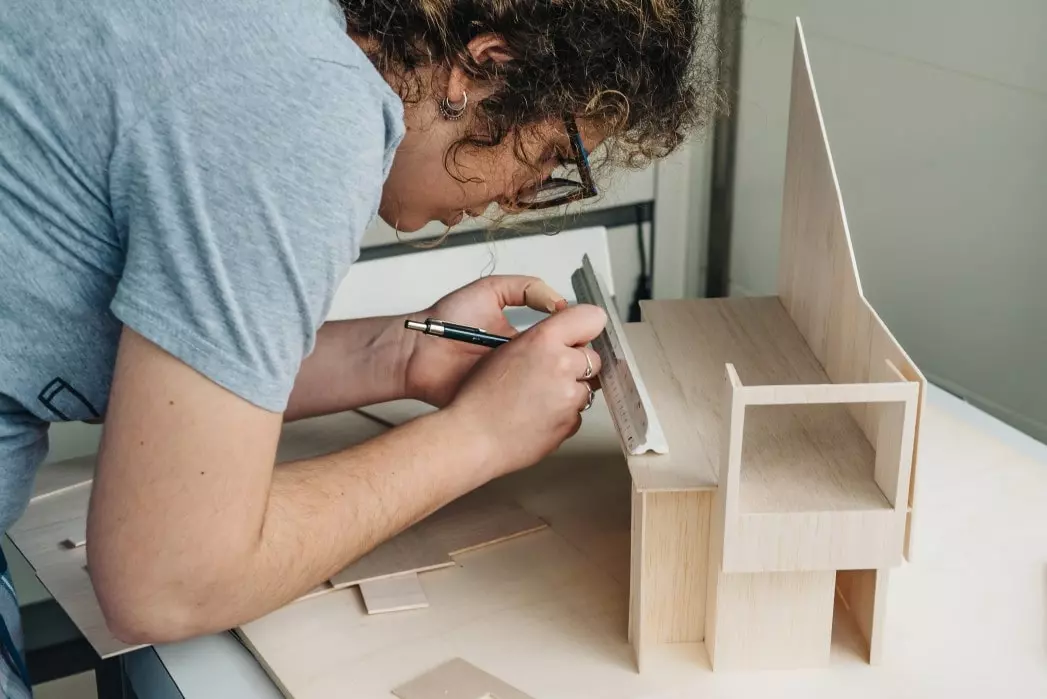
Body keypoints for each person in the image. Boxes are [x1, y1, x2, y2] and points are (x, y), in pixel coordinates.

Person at [0, 0, 716, 693]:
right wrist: (479, 436)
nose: (521, 195)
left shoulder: (267, 34)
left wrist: (397, 354)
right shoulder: (304, 98)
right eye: (555, 153)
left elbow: (162, 368)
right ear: (481, 67)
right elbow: (169, 579)